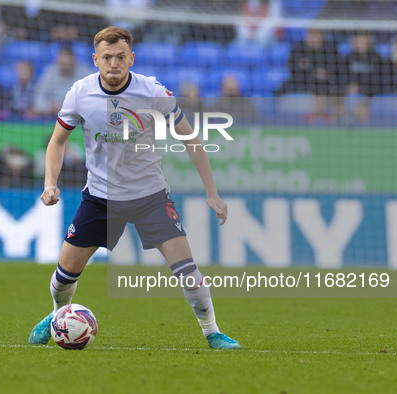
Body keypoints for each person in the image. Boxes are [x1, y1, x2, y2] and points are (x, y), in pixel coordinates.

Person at [28, 27, 240, 350]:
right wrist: (50, 183)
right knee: (62, 279)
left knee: (188, 272)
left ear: (131, 58)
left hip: (150, 197)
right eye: (107, 58)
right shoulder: (79, 93)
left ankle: (212, 332)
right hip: (100, 198)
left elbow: (190, 138)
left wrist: (212, 193)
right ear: (95, 59)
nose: (114, 64)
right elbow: (57, 142)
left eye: (121, 57)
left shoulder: (152, 91)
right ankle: (59, 315)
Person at [32, 47, 91, 116]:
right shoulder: (50, 72)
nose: (65, 66)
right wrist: (50, 107)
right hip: (51, 115)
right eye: (62, 63)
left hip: (77, 115)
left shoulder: (85, 73)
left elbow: (90, 99)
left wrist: (69, 107)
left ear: (74, 61)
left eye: (68, 63)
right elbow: (39, 97)